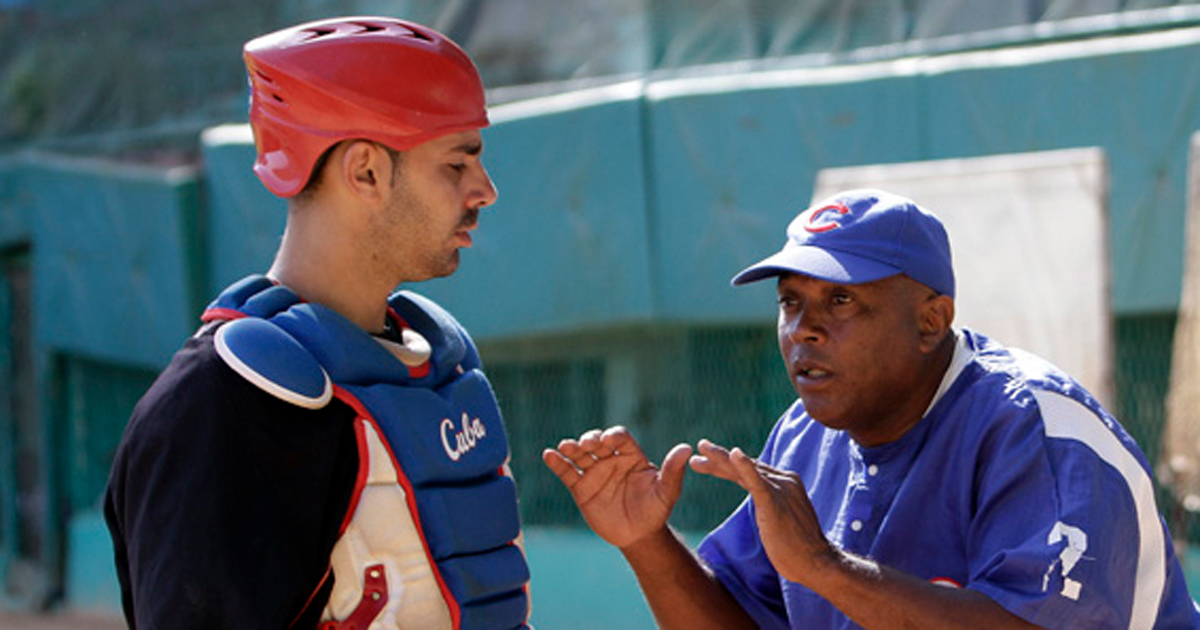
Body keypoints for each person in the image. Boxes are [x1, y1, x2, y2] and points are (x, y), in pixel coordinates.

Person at [544, 188, 1200, 629]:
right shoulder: (803, 434)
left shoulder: (1037, 430)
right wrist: (646, 543)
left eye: (841, 301)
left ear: (930, 320)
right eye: (790, 301)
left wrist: (827, 570)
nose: (803, 328)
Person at [104, 17, 531, 630]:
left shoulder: (432, 366)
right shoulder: (221, 405)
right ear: (365, 173)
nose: (484, 190)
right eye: (457, 163)